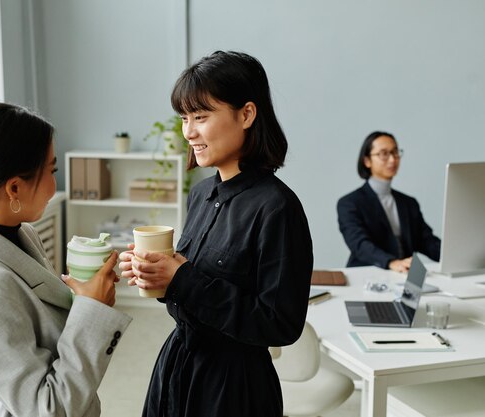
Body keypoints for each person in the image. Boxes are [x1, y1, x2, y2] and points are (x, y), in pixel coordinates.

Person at [119, 51, 313, 417]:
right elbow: (194, 289)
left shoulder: (277, 208)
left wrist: (183, 278)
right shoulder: (201, 194)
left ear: (247, 114)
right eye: (184, 118)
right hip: (178, 368)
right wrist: (161, 276)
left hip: (234, 388)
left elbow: (281, 324)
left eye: (201, 117)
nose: (188, 131)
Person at [0, 102, 131, 417]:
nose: (54, 184)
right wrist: (93, 312)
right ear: (15, 187)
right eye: (52, 170)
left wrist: (84, 298)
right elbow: (46, 409)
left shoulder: (16, 232)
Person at [337, 131, 441, 272]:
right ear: (367, 161)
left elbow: (427, 242)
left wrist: (457, 257)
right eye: (384, 153)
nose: (392, 159)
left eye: (395, 152)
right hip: (366, 276)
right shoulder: (349, 203)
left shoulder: (409, 203)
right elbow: (360, 245)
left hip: (405, 276)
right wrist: (391, 262)